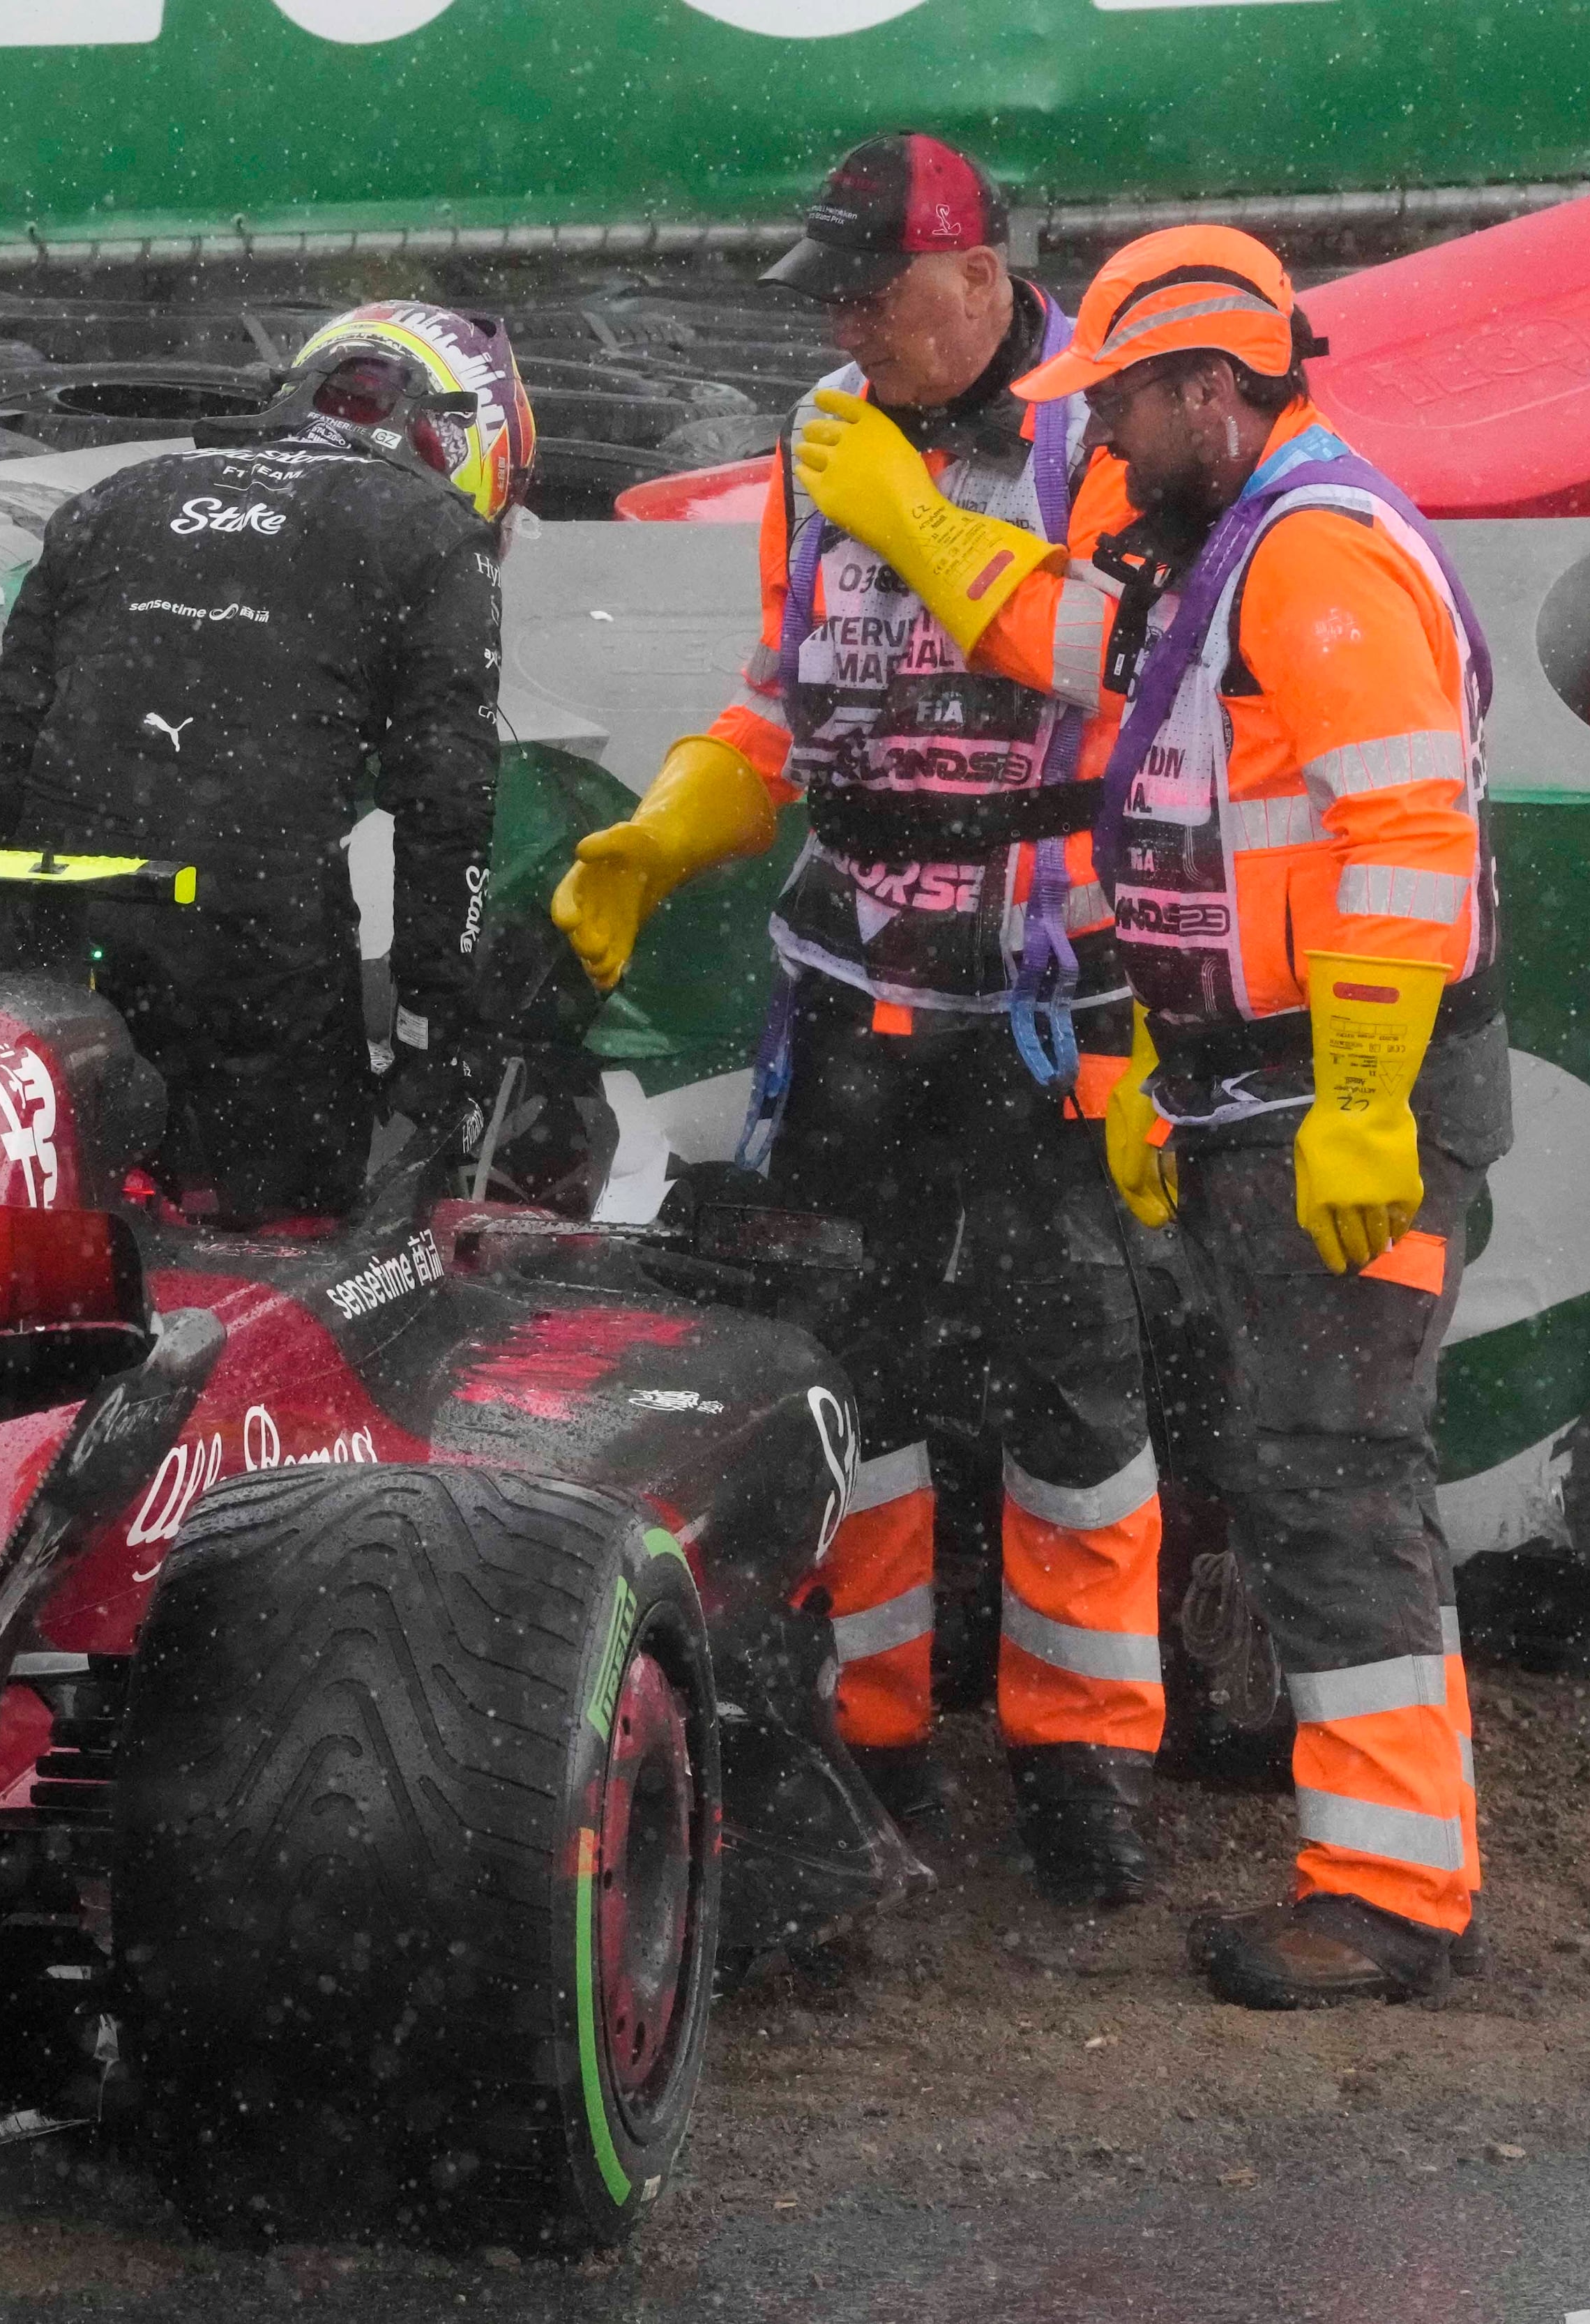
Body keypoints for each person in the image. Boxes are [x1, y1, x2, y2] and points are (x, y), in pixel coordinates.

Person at [792, 222, 1508, 2005]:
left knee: (1334, 1477)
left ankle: (1392, 1896)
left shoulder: (1312, 553)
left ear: (1206, 390)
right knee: (1310, 1470)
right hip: (1260, 1081)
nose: (1097, 439)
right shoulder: (1223, 556)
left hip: (1345, 1088)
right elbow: (1097, 679)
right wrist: (1167, 1077)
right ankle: (1387, 1872)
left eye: (1117, 405)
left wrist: (1360, 1105)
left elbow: (1407, 837)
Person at [550, 133, 1164, 1909]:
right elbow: (783, 686)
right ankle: (869, 1729)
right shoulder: (823, 427)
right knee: (847, 1359)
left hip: (1052, 974)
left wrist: (919, 517)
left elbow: (1117, 656)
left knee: (1073, 1368)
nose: (844, 327)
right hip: (849, 969)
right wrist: (677, 816)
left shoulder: (1100, 426)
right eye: (826, 296)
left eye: (871, 292)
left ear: (977, 274)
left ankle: (1083, 1759)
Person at [0, 301, 529, 1224]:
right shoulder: (435, 535)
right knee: (284, 1226)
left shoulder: (116, 495)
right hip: (257, 946)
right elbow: (448, 809)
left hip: (56, 914)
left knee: (55, 1204)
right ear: (471, 444)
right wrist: (434, 1037)